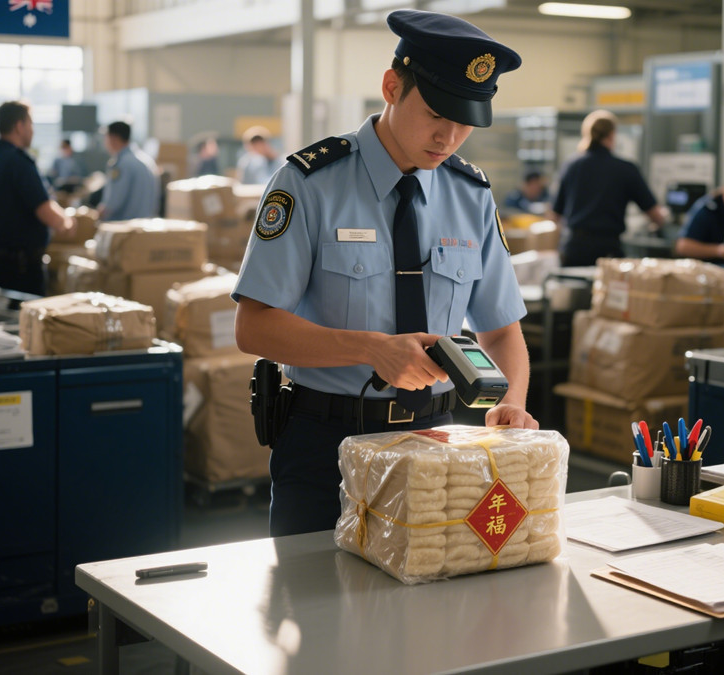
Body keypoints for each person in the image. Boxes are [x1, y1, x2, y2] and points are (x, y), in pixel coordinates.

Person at [232, 9, 537, 537]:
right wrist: (373, 349)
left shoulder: (471, 195)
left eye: (466, 121)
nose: (449, 136)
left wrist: (511, 403)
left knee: (427, 608)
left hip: (436, 445)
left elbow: (502, 328)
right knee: (316, 607)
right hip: (326, 445)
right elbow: (254, 327)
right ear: (392, 87)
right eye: (437, 113)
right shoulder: (309, 183)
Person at [0, 101, 74, 296]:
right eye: (31, 124)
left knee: (0, 320)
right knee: (25, 322)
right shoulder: (20, 163)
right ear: (20, 126)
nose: (33, 130)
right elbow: (47, 212)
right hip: (21, 270)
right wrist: (67, 223)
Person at [552, 110, 666, 266]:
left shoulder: (571, 166)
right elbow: (655, 214)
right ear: (612, 134)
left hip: (574, 248)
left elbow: (554, 215)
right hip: (607, 249)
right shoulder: (625, 169)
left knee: (575, 289)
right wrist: (662, 221)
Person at [98, 121, 160, 221]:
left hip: (124, 228)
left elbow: (113, 202)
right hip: (145, 226)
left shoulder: (121, 164)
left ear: (113, 138)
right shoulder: (146, 160)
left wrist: (98, 215)